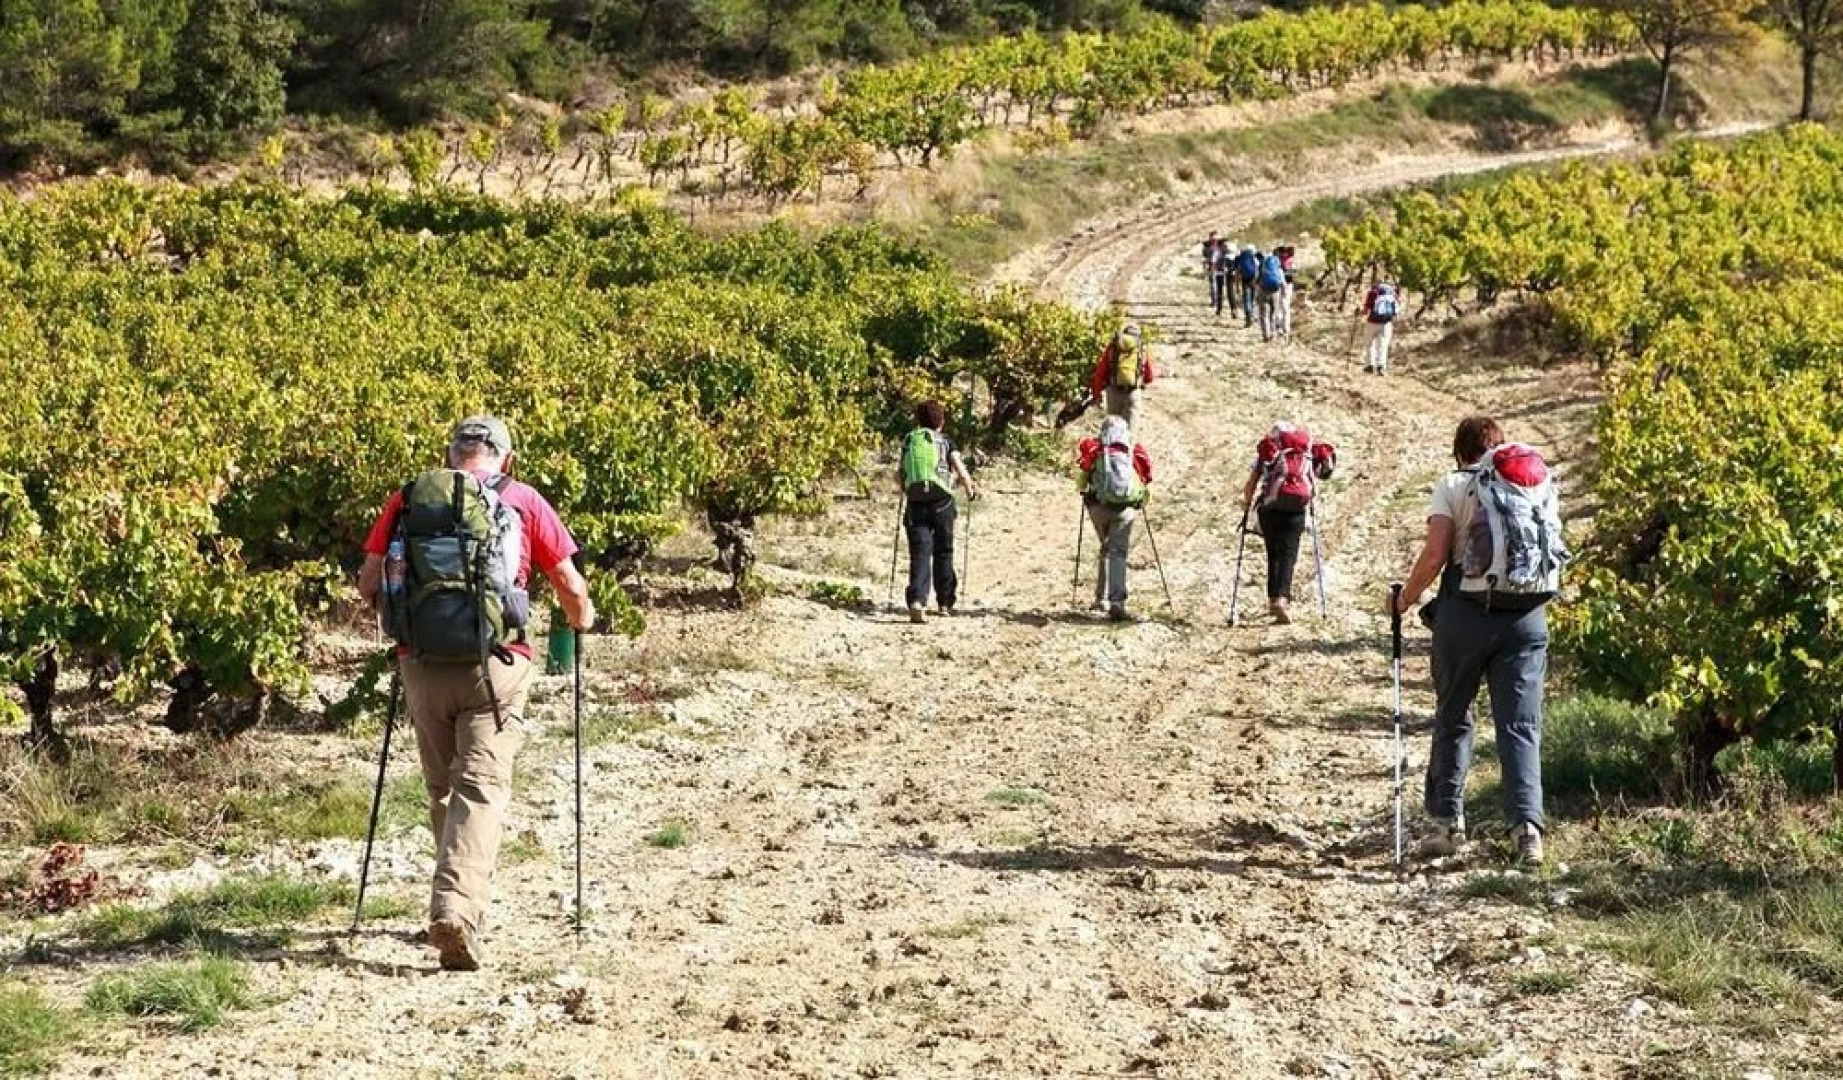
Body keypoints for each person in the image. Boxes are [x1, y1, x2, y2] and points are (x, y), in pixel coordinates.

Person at [358, 416, 596, 972]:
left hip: (420, 663)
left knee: (444, 788)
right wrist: (581, 619)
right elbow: (569, 584)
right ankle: (456, 913)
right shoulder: (524, 501)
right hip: (497, 663)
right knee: (481, 787)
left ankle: (454, 902)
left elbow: (368, 583)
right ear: (504, 460)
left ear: (450, 455)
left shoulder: (410, 499)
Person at [1391, 416, 1555, 866]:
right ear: (1498, 448)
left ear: (1460, 452)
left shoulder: (1454, 484)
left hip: (1465, 612)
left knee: (1454, 714)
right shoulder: (1530, 481)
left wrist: (1405, 599)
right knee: (1520, 726)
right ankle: (1527, 832)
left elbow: (1436, 553)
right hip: (1527, 615)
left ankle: (1445, 824)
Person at [1238, 422, 1336, 624]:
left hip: (1269, 508)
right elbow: (1321, 472)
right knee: (1288, 555)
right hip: (1296, 508)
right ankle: (1281, 599)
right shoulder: (1305, 452)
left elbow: (1251, 482)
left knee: (1272, 553)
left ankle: (1274, 598)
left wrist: (1247, 504)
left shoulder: (1269, 451)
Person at [898, 400, 978, 623]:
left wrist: (905, 492)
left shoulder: (909, 441)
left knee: (920, 553)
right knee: (944, 551)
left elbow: (900, 475)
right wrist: (970, 488)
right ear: (941, 421)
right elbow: (961, 471)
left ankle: (917, 601)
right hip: (942, 501)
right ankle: (944, 602)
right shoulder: (945, 441)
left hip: (916, 502)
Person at [1077, 415, 1154, 622]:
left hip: (1098, 509)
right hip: (1125, 510)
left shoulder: (1094, 449)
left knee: (1105, 547)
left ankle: (1100, 598)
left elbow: (1081, 483)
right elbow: (1146, 478)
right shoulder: (1133, 450)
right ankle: (1117, 603)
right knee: (1118, 552)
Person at [1088, 323, 1155, 429]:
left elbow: (1100, 373)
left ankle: (1112, 445)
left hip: (1113, 393)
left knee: (1113, 428)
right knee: (1130, 431)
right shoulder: (1141, 349)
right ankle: (1128, 445)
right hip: (1133, 393)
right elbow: (1150, 377)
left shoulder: (1113, 347)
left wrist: (1097, 394)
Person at [1360, 280, 1401, 374]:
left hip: (1371, 323)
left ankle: (1369, 365)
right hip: (1386, 323)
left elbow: (1366, 311)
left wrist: (1359, 312)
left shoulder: (1372, 293)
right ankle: (1381, 366)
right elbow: (1397, 310)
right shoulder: (1392, 293)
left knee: (1369, 344)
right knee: (1383, 345)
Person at [1255, 248, 1286, 343]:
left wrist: (1257, 293)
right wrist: (1283, 294)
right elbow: (1283, 283)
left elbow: (1257, 281)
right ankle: (1272, 333)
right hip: (1275, 292)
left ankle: (1266, 335)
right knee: (1273, 314)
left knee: (1263, 315)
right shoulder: (1278, 269)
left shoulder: (1262, 267)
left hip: (1263, 291)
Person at [1234, 245, 1261, 328]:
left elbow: (1238, 273)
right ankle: (1253, 315)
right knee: (1253, 299)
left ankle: (1248, 317)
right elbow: (1258, 271)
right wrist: (1257, 282)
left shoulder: (1242, 259)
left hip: (1245, 281)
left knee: (1246, 300)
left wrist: (1237, 285)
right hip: (1253, 281)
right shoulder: (1255, 259)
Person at [1275, 245, 1297, 339]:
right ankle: (1286, 328)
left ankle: (1279, 325)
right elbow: (1294, 273)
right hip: (1288, 285)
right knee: (1285, 306)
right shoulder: (1291, 261)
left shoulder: (1276, 260)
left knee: (1279, 305)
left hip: (1277, 285)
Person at [1210, 239, 1236, 317]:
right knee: (1230, 292)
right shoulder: (1232, 252)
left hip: (1219, 274)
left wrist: (1212, 273)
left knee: (1220, 292)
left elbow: (1213, 264)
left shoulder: (1217, 252)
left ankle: (1219, 310)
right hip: (1230, 274)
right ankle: (1233, 309)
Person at [1202, 231, 1222, 308]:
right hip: (1218, 268)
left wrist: (1204, 268)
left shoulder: (1207, 246)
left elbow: (1204, 258)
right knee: (1216, 285)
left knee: (1213, 285)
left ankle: (1215, 301)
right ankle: (1216, 301)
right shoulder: (1221, 244)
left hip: (1213, 267)